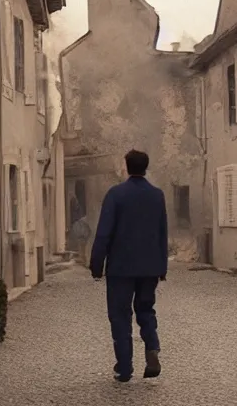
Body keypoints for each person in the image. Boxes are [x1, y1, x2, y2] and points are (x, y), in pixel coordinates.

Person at [90, 149, 169, 382]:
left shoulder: (116, 195)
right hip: (149, 267)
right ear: (146, 167)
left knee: (120, 315)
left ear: (126, 166)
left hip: (120, 268)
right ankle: (152, 347)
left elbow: (104, 232)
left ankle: (124, 368)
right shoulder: (157, 195)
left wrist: (97, 265)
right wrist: (161, 266)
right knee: (146, 309)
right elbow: (162, 232)